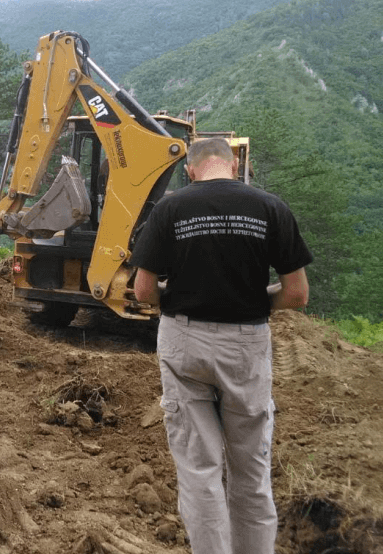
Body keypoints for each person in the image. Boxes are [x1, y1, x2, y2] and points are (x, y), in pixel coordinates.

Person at [131, 138, 312, 554]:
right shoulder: (271, 208)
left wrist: (176, 299)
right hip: (246, 344)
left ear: (190, 169)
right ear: (233, 166)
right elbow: (298, 295)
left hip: (184, 340)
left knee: (199, 470)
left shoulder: (170, 209)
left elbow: (142, 291)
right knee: (251, 471)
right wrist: (255, 302)